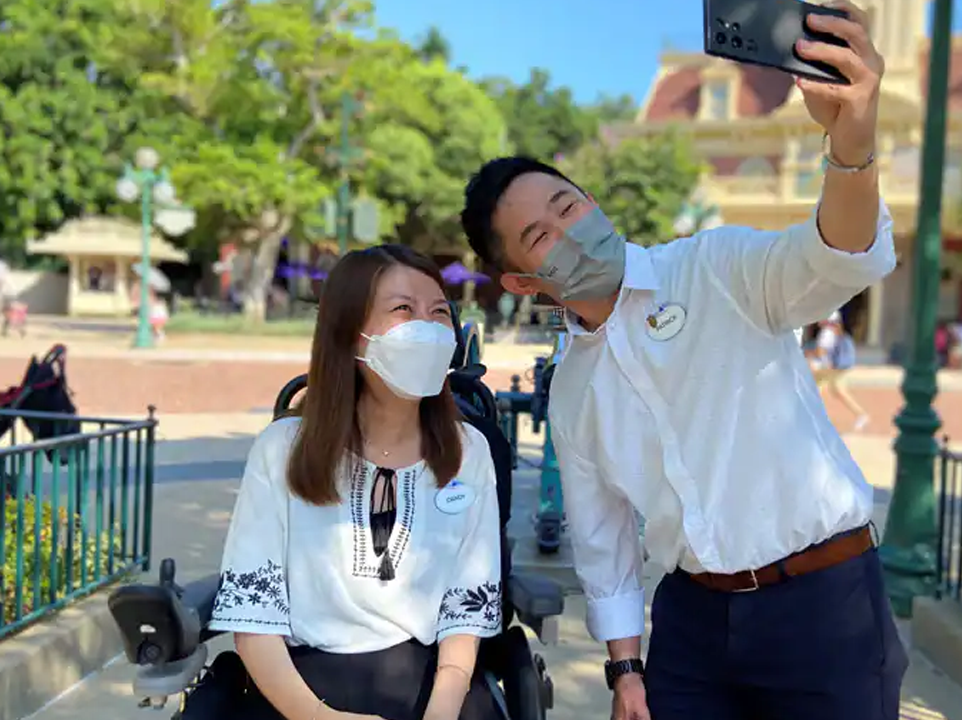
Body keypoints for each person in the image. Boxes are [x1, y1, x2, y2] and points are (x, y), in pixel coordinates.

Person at [459, 4, 906, 718]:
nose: (569, 234)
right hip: (692, 623)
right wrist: (625, 669)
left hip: (824, 605)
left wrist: (851, 142)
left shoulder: (718, 267)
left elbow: (838, 258)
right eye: (540, 237)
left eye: (568, 206)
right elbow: (602, 544)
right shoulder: (573, 390)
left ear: (594, 201)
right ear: (520, 283)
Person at [204, 245, 504, 720]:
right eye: (403, 310)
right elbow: (254, 619)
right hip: (297, 686)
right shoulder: (282, 449)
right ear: (351, 335)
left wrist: (442, 709)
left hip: (431, 680)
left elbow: (464, 610)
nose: (426, 327)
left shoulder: (470, 451)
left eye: (439, 312)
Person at [813, 312, 870, 431]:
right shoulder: (836, 333)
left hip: (827, 368)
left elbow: (820, 352)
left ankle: (813, 419)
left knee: (812, 390)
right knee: (838, 390)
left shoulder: (827, 333)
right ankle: (861, 414)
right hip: (835, 367)